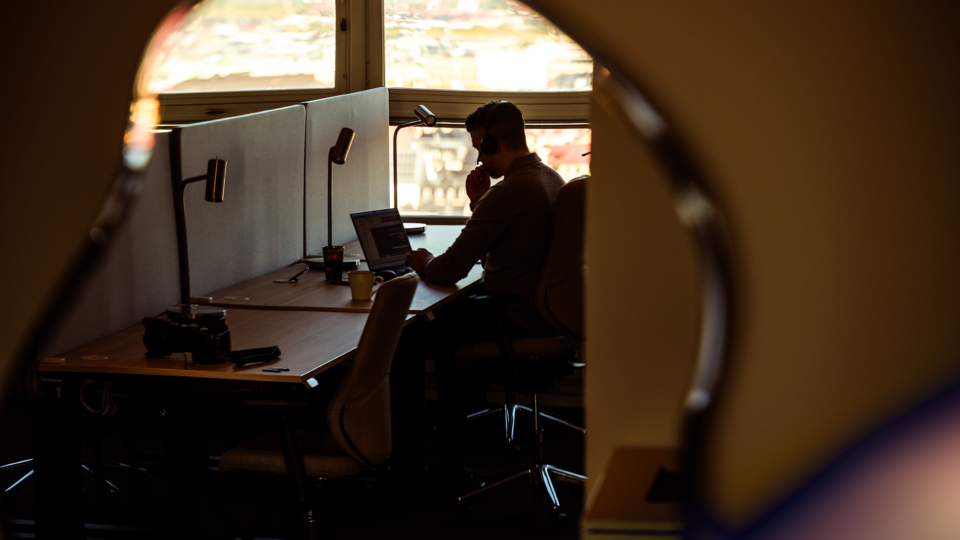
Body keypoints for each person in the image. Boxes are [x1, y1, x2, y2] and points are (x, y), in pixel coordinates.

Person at [390, 101, 565, 496]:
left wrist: (420, 260)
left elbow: (448, 270)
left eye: (476, 146)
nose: (475, 155)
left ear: (490, 143)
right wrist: (478, 203)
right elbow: (507, 253)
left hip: (513, 315)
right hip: (542, 311)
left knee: (406, 338)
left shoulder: (511, 192)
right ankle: (451, 457)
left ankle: (409, 468)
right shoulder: (550, 178)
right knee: (448, 324)